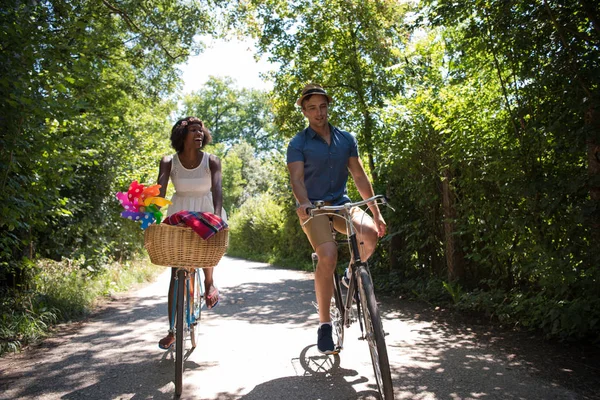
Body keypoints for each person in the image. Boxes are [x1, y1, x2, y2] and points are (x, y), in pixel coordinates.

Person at [286, 84, 387, 355]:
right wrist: (305, 203)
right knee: (328, 254)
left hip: (343, 204)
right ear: (304, 112)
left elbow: (359, 176)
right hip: (314, 209)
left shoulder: (345, 139)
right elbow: (296, 179)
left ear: (328, 107)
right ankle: (324, 325)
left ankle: (349, 275)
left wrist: (375, 212)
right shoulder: (298, 143)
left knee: (370, 234)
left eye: (322, 106)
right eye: (312, 108)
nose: (319, 113)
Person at [156, 116, 227, 350]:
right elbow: (160, 192)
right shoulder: (169, 161)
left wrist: (216, 218)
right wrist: (150, 215)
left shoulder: (212, 161)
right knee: (175, 272)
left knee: (205, 252)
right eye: (193, 130)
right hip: (180, 211)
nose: (199, 133)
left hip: (206, 211)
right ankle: (172, 330)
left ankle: (208, 283)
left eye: (201, 130)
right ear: (181, 135)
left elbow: (217, 191)